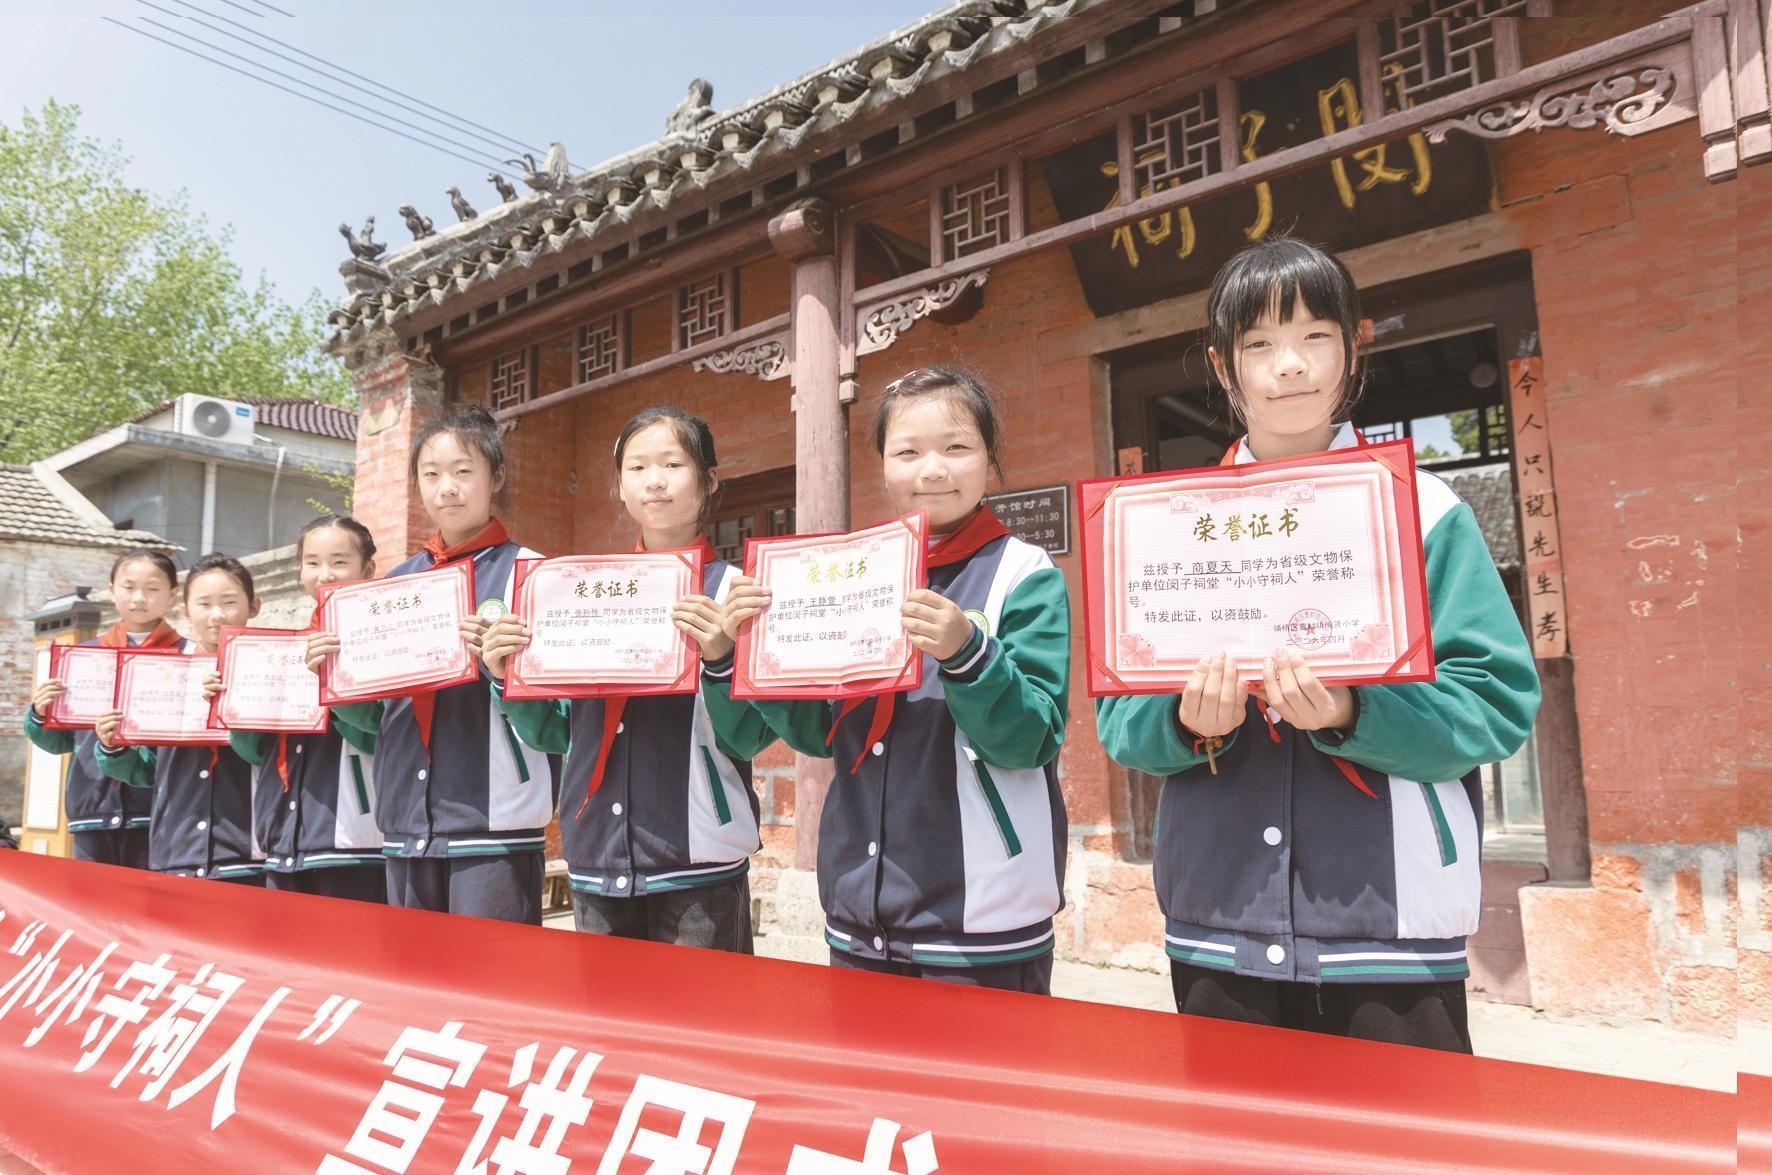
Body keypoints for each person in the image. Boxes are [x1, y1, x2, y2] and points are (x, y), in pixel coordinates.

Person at [1095, 236, 1541, 1052]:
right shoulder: (1168, 527)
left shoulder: (1427, 510)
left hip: (1389, 918)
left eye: (1314, 336)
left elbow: (1496, 700)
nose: (1290, 364)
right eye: (1260, 343)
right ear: (1223, 366)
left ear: (1352, 348)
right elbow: (1120, 723)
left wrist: (1353, 711)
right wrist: (1186, 721)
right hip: (1219, 910)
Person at [710, 366, 1072, 994]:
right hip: (858, 909)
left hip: (982, 917)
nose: (932, 470)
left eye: (956, 447)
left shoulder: (1024, 572)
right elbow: (823, 735)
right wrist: (758, 653)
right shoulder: (856, 572)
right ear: (882, 466)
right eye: (907, 452)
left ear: (990, 460)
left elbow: (1030, 739)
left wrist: (968, 655)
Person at [482, 407, 775, 951]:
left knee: (703, 1007)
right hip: (596, 851)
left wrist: (720, 660)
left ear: (709, 479)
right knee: (604, 1007)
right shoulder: (583, 592)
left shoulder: (737, 592)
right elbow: (557, 733)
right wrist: (507, 680)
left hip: (699, 856)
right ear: (619, 486)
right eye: (637, 468)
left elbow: (749, 737)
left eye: (673, 464)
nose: (654, 481)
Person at [309, 404, 553, 922]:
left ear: (497, 477)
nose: (448, 488)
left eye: (464, 471)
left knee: (492, 968)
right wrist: (336, 681)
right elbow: (379, 721)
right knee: (412, 970)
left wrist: (500, 670)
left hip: (494, 822)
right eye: (432, 474)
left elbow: (555, 714)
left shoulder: (532, 574)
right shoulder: (394, 585)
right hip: (403, 820)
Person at [219, 515, 386, 902]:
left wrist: (334, 685)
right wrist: (235, 706)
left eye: (339, 562)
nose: (324, 574)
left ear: (368, 569)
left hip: (351, 838)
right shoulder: (285, 648)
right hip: (282, 836)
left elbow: (385, 734)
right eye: (312, 562)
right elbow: (255, 752)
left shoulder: (381, 637)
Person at [96, 553, 265, 883]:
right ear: (185, 611)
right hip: (176, 851)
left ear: (254, 606)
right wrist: (113, 747)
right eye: (204, 604)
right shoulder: (164, 675)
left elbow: (276, 756)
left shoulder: (271, 670)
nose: (217, 615)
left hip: (249, 850)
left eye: (229, 602)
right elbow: (148, 768)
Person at [24, 548, 179, 869]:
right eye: (128, 587)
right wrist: (40, 713)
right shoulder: (83, 657)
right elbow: (60, 741)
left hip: (159, 812)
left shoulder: (185, 656)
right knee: (91, 897)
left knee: (149, 898)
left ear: (173, 595)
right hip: (91, 808)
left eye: (152, 588)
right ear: (111, 591)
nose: (139, 598)